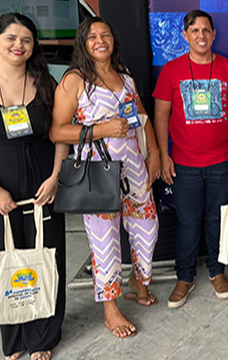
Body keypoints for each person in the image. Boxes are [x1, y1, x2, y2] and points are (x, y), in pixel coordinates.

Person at [51, 17, 160, 339]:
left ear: (114, 40)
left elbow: (141, 116)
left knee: (147, 227)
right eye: (92, 36)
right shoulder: (75, 80)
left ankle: (138, 280)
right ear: (83, 43)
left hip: (134, 166)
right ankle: (110, 308)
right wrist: (102, 129)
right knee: (105, 240)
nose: (100, 41)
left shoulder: (124, 77)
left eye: (106, 35)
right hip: (97, 170)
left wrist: (154, 151)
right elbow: (57, 131)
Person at [0, 13, 67, 360]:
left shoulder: (45, 82)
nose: (19, 45)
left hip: (44, 183)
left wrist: (56, 176)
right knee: (7, 257)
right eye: (11, 38)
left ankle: (44, 335)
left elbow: (61, 133)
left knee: (47, 255)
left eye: (26, 40)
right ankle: (13, 334)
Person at [153, 10, 228, 308]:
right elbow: (161, 114)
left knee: (217, 220)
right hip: (184, 164)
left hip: (223, 161)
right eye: (194, 30)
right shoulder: (171, 70)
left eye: (206, 30)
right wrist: (164, 155)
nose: (201, 35)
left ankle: (216, 271)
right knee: (187, 222)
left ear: (214, 34)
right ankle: (185, 277)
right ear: (185, 35)